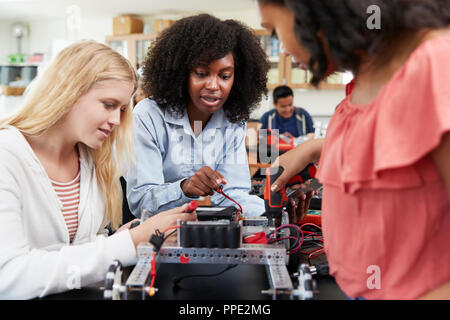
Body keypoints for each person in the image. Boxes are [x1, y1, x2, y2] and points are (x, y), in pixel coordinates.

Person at [256, 0, 450, 299]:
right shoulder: (363, 81)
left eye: (275, 31)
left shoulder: (437, 66)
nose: (282, 50)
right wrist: (311, 151)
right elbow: (388, 140)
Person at [0, 40, 196, 299]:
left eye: (123, 109)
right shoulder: (7, 156)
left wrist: (123, 239)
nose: (116, 121)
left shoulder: (91, 161)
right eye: (108, 105)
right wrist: (127, 244)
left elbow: (75, 250)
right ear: (69, 91)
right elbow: (10, 275)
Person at [125, 14, 271, 218]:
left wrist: (274, 212)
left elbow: (233, 195)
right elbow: (141, 202)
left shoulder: (232, 120)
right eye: (202, 74)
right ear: (182, 73)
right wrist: (184, 188)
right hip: (155, 234)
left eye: (225, 76)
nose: (213, 85)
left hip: (197, 228)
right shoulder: (149, 116)